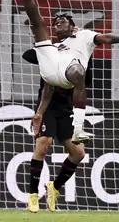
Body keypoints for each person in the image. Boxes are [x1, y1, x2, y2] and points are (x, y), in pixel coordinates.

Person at [13, 0, 119, 145]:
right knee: (37, 21)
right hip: (52, 66)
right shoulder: (54, 46)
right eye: (56, 22)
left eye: (63, 19)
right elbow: (46, 85)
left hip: (70, 74)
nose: (58, 22)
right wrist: (38, 113)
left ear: (73, 27)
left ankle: (78, 129)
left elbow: (105, 38)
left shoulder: (84, 35)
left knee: (77, 70)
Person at [23, 40, 92, 212]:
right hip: (47, 107)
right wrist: (47, 50)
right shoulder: (51, 51)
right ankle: (33, 195)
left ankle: (54, 187)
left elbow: (86, 80)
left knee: (78, 153)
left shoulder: (78, 55)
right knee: (44, 144)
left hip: (66, 108)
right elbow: (27, 55)